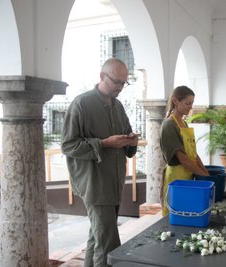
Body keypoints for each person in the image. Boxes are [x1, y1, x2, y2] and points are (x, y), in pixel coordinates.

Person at [61, 58, 138, 267]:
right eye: (117, 82)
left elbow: (126, 141)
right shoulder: (82, 103)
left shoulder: (118, 106)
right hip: (95, 184)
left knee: (97, 238)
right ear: (102, 76)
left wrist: (131, 140)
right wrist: (104, 143)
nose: (121, 88)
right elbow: (68, 145)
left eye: (124, 83)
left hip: (114, 182)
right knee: (109, 245)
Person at [160, 86, 209, 215]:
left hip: (188, 175)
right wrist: (203, 176)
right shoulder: (169, 125)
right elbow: (182, 158)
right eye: (187, 103)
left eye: (191, 103)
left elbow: (193, 154)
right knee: (175, 214)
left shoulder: (184, 123)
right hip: (176, 178)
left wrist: (206, 173)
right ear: (175, 101)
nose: (190, 107)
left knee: (186, 212)